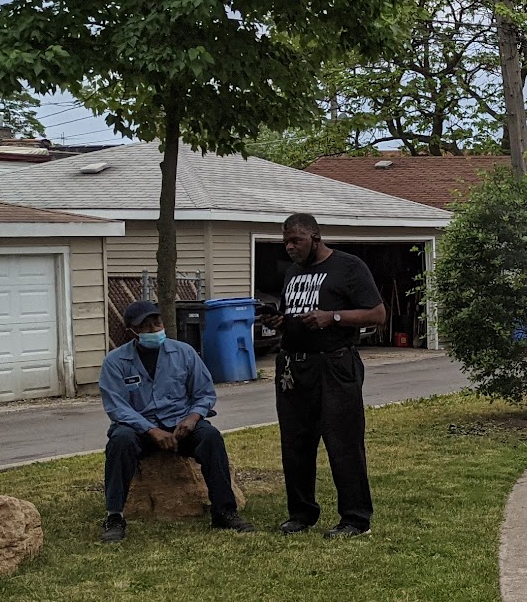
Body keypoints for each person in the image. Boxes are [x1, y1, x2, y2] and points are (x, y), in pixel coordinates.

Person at [265, 213, 386, 538]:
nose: (290, 247)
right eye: (286, 241)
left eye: (297, 241)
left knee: (343, 442)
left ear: (315, 237)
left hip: (335, 365)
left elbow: (377, 314)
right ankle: (302, 513)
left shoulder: (348, 267)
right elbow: (295, 311)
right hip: (294, 367)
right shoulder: (293, 272)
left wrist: (332, 317)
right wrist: (282, 321)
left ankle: (355, 519)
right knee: (295, 442)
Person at [98, 300, 252, 542]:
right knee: (119, 441)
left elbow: (204, 393)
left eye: (156, 322)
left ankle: (224, 511)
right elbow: (117, 406)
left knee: (210, 438)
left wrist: (192, 419)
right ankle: (114, 516)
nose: (153, 329)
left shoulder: (184, 353)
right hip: (140, 429)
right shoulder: (115, 362)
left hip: (181, 426)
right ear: (132, 331)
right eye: (145, 326)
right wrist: (151, 430)